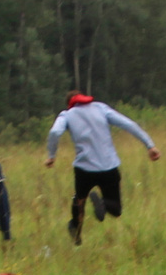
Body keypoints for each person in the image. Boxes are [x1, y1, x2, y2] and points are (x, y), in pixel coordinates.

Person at [44, 92, 158, 244]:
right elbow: (128, 124)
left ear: (69, 103)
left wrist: (51, 155)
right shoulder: (100, 108)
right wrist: (150, 145)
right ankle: (104, 204)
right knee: (116, 210)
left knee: (80, 199)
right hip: (109, 166)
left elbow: (55, 132)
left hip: (84, 168)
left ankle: (76, 230)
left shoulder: (67, 115)